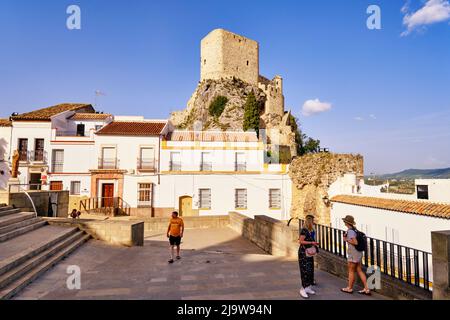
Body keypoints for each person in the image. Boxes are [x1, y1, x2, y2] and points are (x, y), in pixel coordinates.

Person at [341, 215, 371, 295]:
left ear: (346, 222)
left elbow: (355, 242)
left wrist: (346, 239)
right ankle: (366, 288)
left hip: (353, 253)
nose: (343, 222)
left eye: (344, 221)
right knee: (359, 270)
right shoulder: (355, 230)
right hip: (358, 253)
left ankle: (349, 288)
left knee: (351, 271)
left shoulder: (350, 231)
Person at [298, 214, 319, 299]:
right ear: (310, 221)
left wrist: (314, 243)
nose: (314, 222)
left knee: (310, 269)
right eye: (313, 221)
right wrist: (311, 243)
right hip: (303, 253)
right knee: (305, 270)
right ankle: (303, 289)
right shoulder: (304, 230)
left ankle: (308, 287)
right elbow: (300, 241)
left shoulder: (311, 230)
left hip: (309, 252)